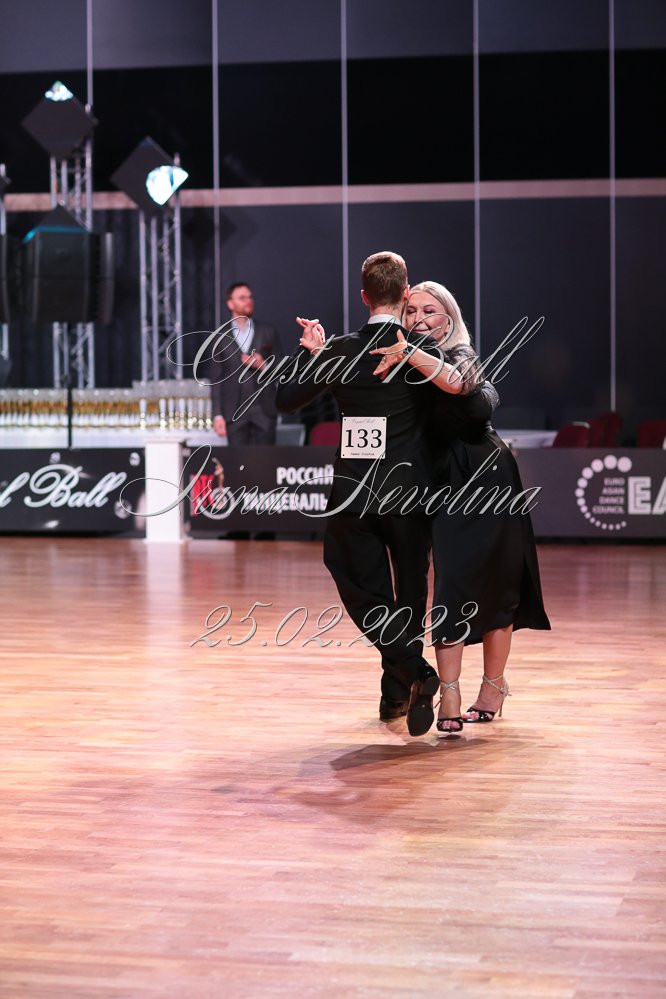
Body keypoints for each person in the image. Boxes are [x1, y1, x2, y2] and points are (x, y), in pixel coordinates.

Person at [276, 251, 446, 736]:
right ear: (406, 294)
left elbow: (285, 400)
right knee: (410, 590)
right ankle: (407, 679)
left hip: (355, 492)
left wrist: (309, 351)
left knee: (354, 577)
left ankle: (403, 683)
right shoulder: (420, 352)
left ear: (363, 296)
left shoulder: (339, 350)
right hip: (410, 491)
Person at [370, 281, 551, 733]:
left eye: (429, 310)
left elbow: (465, 389)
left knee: (498, 585)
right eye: (411, 311)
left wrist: (409, 352)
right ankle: (448, 693)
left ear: (448, 318)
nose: (418, 318)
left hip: (487, 477)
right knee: (451, 587)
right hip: (441, 483)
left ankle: (493, 687)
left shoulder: (460, 355)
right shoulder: (397, 361)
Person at [209, 282, 281, 445]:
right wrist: (218, 415)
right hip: (234, 411)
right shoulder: (219, 336)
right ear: (230, 303)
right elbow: (216, 379)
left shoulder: (267, 332)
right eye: (242, 298)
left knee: (266, 458)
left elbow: (282, 368)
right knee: (237, 459)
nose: (248, 301)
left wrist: (263, 365)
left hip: (264, 410)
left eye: (250, 297)